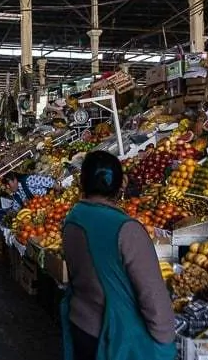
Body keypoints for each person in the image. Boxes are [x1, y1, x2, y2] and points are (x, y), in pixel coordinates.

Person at [61, 151, 175, 360]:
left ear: (82, 182)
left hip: (80, 323)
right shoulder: (126, 229)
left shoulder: (72, 219)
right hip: (114, 336)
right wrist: (165, 341)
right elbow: (153, 296)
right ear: (121, 184)